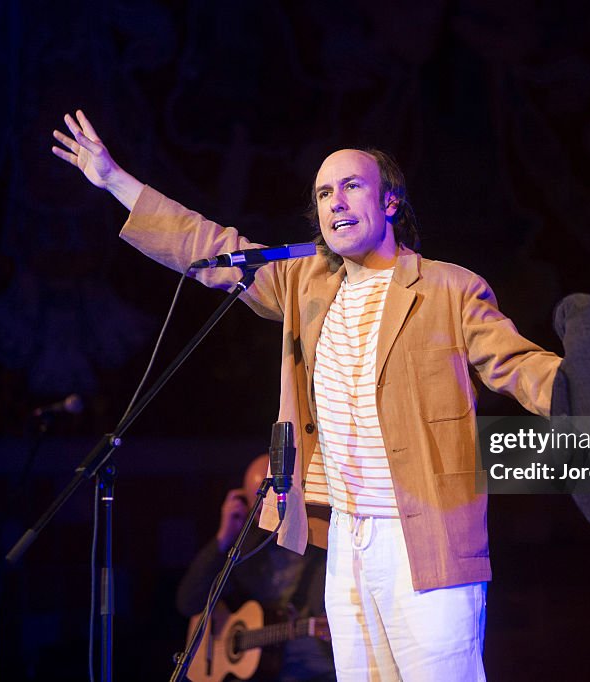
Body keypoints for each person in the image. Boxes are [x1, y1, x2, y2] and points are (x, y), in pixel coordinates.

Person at [52, 110, 562, 681]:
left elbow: (518, 364)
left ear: (390, 202)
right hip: (345, 535)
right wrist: (115, 181)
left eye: (351, 187)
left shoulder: (448, 287)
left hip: (425, 533)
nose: (336, 202)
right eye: (324, 193)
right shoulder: (303, 283)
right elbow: (210, 247)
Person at [176, 455, 334, 682]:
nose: (270, 517)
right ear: (248, 504)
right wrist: (224, 537)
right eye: (260, 509)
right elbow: (189, 602)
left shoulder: (320, 539)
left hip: (316, 658)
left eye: (276, 503)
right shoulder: (245, 548)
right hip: (262, 669)